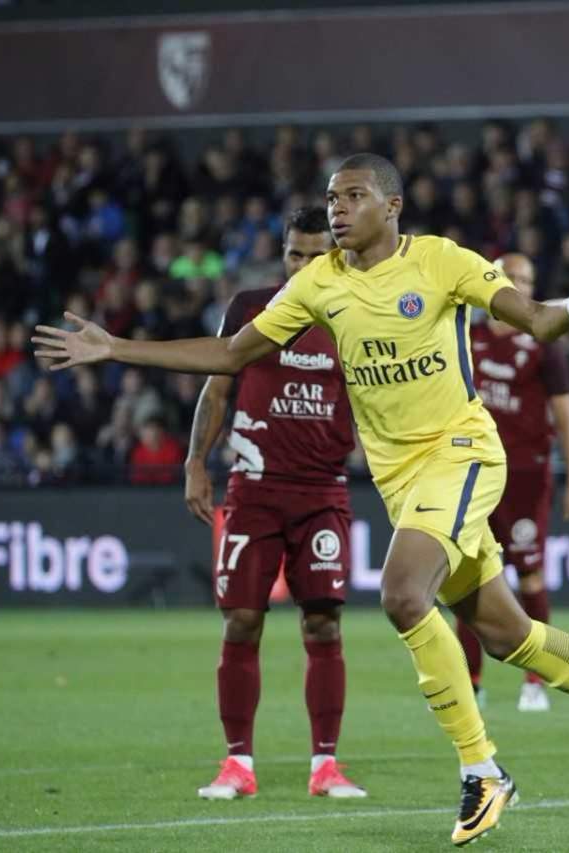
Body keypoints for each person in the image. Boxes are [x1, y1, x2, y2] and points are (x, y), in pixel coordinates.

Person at [34, 153, 569, 848]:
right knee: (509, 636)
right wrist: (115, 347)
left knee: (401, 593)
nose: (337, 208)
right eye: (331, 197)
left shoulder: (442, 261)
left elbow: (535, 319)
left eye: (353, 196)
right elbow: (231, 355)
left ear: (392, 206)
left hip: (463, 454)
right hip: (403, 483)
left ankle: (483, 769)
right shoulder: (318, 284)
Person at [184, 206, 365, 801]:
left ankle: (326, 766)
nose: (304, 265)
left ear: (335, 256)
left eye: (317, 255)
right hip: (255, 490)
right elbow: (217, 386)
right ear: (283, 254)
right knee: (241, 620)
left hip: (322, 494)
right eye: (295, 254)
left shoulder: (355, 312)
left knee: (323, 622)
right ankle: (237, 764)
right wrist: (194, 463)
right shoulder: (249, 309)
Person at [457, 252, 569, 714]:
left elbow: (566, 416)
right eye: (509, 276)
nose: (517, 283)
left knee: (529, 575)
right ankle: (470, 683)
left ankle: (536, 678)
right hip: (471, 472)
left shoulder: (543, 344)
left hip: (525, 478)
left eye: (526, 278)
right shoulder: (464, 338)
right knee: (467, 575)